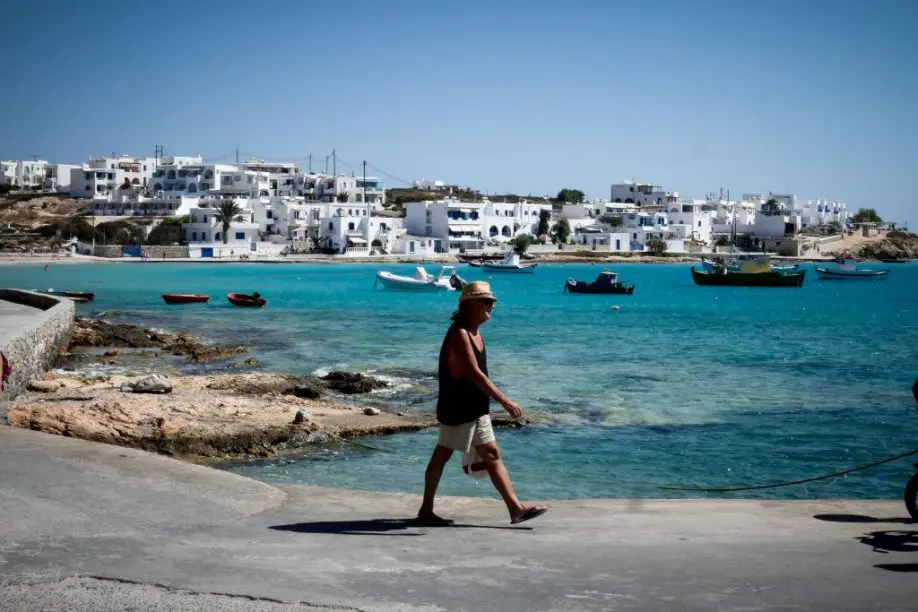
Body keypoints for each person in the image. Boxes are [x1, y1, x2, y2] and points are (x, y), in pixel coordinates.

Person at [417, 281, 548, 526]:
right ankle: (425, 510)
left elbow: (479, 375)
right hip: (457, 409)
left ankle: (515, 509)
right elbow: (475, 374)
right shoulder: (460, 334)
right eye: (486, 301)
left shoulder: (475, 332)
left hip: (476, 408)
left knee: (491, 454)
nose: (492, 305)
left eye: (492, 301)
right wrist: (505, 401)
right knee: (442, 455)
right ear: (470, 305)